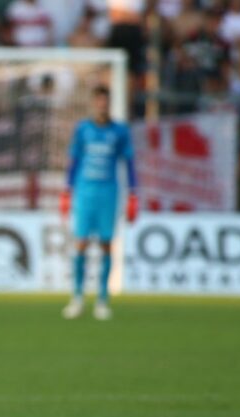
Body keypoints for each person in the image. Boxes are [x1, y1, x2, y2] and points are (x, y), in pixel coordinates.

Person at [59, 86, 138, 321]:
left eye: (106, 101)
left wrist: (134, 193)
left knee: (106, 244)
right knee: (81, 243)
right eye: (99, 101)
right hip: (85, 192)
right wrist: (67, 190)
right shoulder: (83, 129)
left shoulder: (120, 131)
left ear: (109, 103)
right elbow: (74, 161)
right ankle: (77, 298)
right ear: (94, 103)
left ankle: (102, 299)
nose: (102, 105)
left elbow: (129, 163)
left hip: (108, 193)